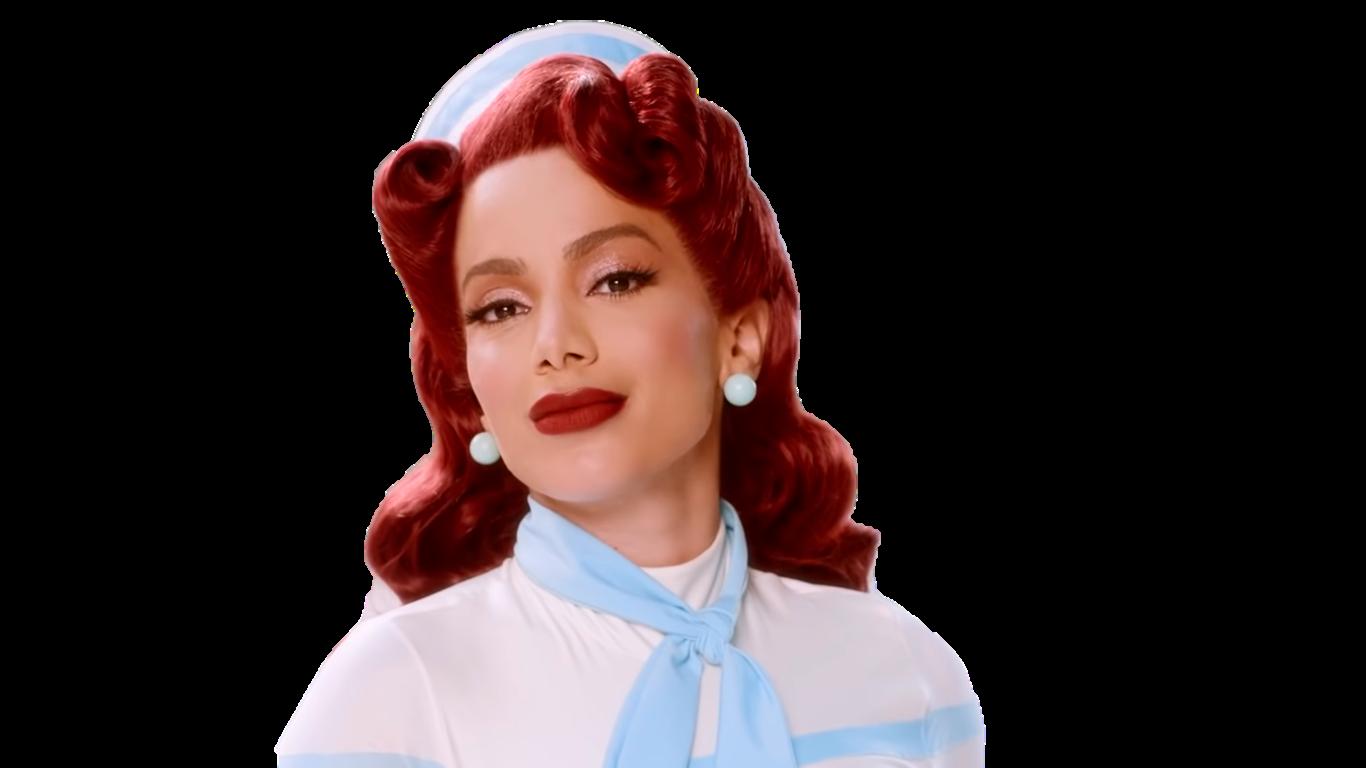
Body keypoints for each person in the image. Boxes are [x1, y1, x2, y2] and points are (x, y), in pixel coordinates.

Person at [276, 20, 985, 768]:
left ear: (740, 336)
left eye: (615, 279)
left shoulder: (905, 677)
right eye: (500, 308)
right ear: (468, 387)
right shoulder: (389, 698)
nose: (556, 344)